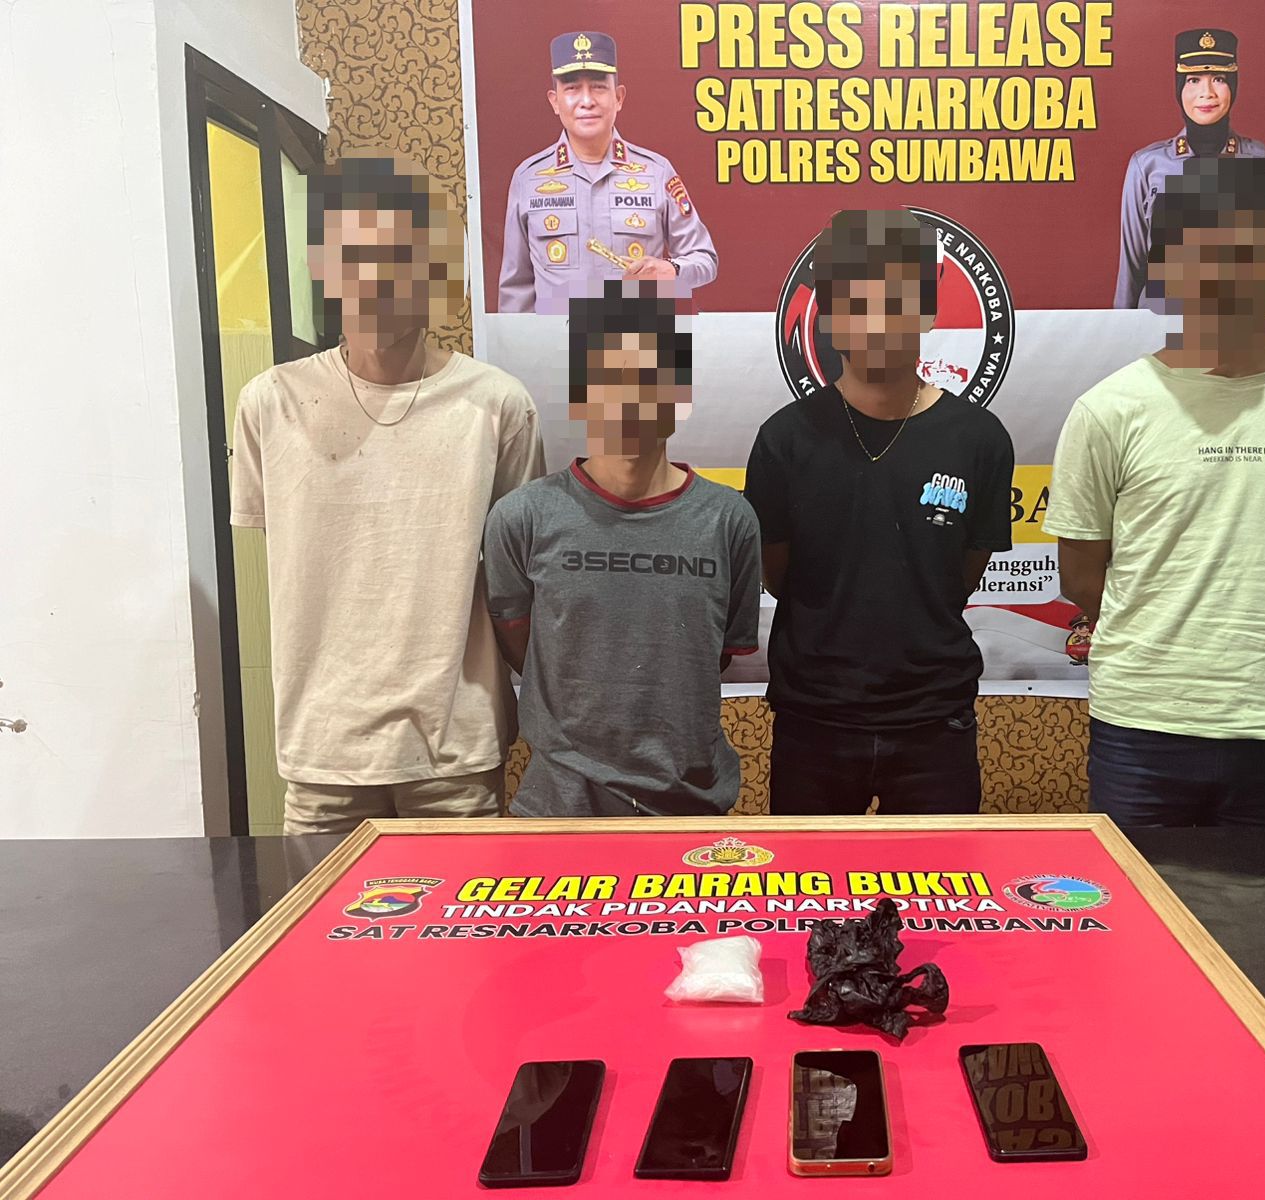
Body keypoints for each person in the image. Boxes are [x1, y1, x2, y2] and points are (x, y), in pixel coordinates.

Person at [1046, 156, 1265, 854]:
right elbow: (1080, 577)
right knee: (1139, 918)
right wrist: (1170, 623)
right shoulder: (1109, 409)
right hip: (1142, 722)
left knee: (1261, 916)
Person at [230, 155, 544, 834]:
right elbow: (293, 559)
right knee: (318, 909)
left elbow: (518, 581)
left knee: (466, 911)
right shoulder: (269, 403)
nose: (373, 278)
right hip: (322, 754)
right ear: (322, 265)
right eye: (353, 255)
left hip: (456, 754)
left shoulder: (498, 405)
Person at [743, 209, 1016, 815]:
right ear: (829, 315)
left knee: (937, 882)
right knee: (807, 882)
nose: (873, 321)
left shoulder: (979, 439)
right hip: (814, 720)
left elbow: (961, 573)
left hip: (935, 721)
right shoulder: (785, 439)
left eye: (893, 300)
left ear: (926, 311)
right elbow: (778, 574)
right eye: (853, 301)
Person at [483, 280, 761, 816]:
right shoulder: (521, 519)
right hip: (558, 808)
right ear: (580, 394)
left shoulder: (729, 521)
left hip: (689, 809)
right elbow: (522, 645)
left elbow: (715, 652)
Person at [498, 31, 718, 315]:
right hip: (557, 342)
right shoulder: (529, 178)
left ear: (619, 97)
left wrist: (671, 270)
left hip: (639, 336)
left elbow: (704, 259)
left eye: (599, 87)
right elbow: (515, 290)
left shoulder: (657, 172)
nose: (587, 101)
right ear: (555, 101)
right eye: (572, 88)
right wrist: (520, 342)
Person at [1114, 28, 1265, 310]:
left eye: (1219, 79)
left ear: (1234, 85)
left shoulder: (1263, 161)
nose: (1206, 93)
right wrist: (1122, 331)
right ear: (1179, 88)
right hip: (1158, 325)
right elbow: (1131, 268)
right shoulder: (1146, 165)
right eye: (1193, 80)